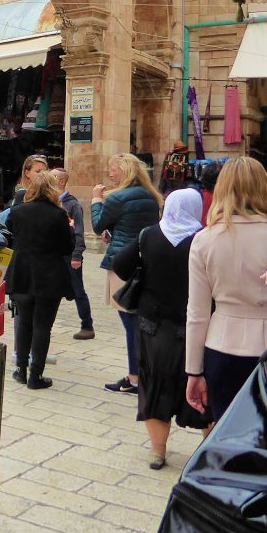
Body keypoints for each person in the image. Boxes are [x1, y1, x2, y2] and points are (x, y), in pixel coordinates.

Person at [185, 156, 267, 422]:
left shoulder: (204, 240)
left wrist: (193, 371)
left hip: (223, 346)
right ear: (265, 187)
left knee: (230, 436)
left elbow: (197, 313)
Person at [112, 189, 212, 469]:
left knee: (154, 385)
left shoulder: (149, 235)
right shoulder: (203, 239)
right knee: (202, 387)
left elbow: (120, 266)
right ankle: (208, 451)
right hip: (195, 328)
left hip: (152, 326)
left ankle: (158, 451)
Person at [91, 153, 163, 394]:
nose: (110, 174)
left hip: (122, 262)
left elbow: (98, 225)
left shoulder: (117, 198)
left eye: (113, 169)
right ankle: (142, 372)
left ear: (124, 171)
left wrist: (95, 201)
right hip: (146, 261)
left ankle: (135, 378)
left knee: (129, 321)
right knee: (139, 321)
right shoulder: (151, 196)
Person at [4, 169, 74, 390]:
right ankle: (36, 375)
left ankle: (21, 371)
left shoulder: (16, 212)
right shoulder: (58, 215)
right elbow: (67, 248)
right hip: (49, 276)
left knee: (24, 323)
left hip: (22, 274)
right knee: (43, 326)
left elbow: (7, 241)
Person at [52, 168, 94, 340]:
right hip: (54, 255)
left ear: (62, 181)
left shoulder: (72, 204)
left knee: (78, 290)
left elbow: (78, 231)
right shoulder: (51, 201)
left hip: (70, 255)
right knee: (52, 290)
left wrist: (77, 255)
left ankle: (87, 326)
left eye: (53, 176)